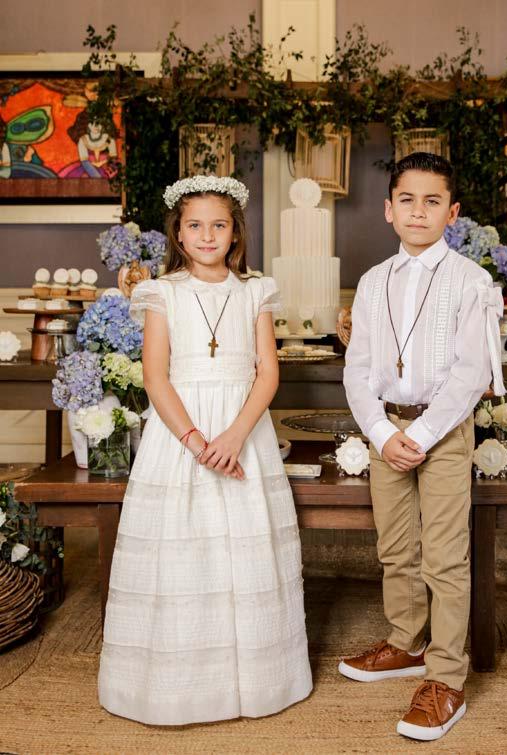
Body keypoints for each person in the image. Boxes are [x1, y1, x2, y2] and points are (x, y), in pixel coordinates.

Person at [98, 175, 313, 725]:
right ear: (179, 232)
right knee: (183, 551)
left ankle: (259, 680)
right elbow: (155, 377)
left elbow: (268, 373)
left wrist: (236, 435)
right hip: (180, 435)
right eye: (195, 226)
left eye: (218, 225)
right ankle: (179, 687)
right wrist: (196, 441)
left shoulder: (255, 291)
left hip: (244, 429)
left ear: (235, 232)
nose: (207, 235)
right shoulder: (162, 293)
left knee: (246, 550)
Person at [341, 152, 505, 741]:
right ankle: (407, 642)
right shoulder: (372, 281)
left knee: (443, 556)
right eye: (406, 200)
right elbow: (357, 368)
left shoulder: (470, 281)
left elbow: (471, 372)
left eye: (432, 201)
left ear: (451, 213)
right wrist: (384, 433)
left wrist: (423, 433)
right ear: (389, 210)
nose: (418, 211)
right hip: (387, 431)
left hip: (444, 432)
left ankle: (445, 677)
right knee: (395, 548)